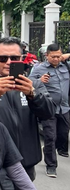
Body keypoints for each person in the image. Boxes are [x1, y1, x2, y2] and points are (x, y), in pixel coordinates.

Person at [0, 37, 54, 190]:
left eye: (14, 58)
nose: (9, 62)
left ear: (23, 59)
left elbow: (49, 113)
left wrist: (33, 94)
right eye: (3, 58)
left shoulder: (34, 85)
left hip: (24, 163)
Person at [30, 43, 70, 177]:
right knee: (50, 137)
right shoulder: (39, 68)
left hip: (64, 107)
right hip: (48, 108)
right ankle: (51, 165)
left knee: (63, 136)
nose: (56, 59)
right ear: (47, 56)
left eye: (59, 56)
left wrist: (65, 57)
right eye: (53, 57)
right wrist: (39, 80)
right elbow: (28, 82)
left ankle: (48, 148)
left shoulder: (65, 66)